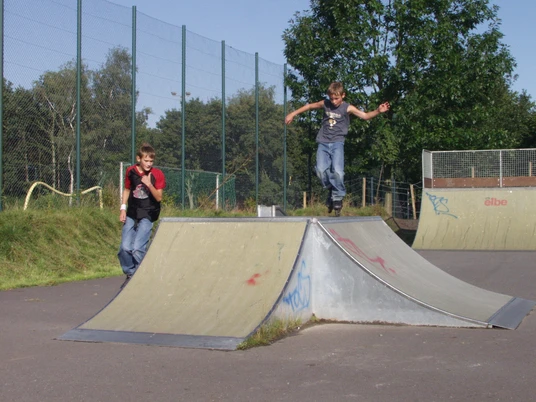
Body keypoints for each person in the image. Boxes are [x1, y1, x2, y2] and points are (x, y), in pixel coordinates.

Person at [285, 82, 390, 216]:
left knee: (338, 171)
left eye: (337, 98)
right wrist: (292, 114)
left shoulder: (348, 108)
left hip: (337, 143)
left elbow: (364, 116)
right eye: (332, 98)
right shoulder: (325, 103)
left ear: (343, 95)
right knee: (321, 170)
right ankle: (331, 189)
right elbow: (310, 106)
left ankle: (338, 196)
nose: (334, 101)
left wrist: (378, 111)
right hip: (323, 142)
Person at [118, 143, 166, 287]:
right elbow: (127, 190)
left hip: (149, 213)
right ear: (139, 159)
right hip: (132, 212)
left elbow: (159, 198)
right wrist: (122, 209)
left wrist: (148, 184)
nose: (149, 164)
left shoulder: (157, 174)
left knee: (138, 248)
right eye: (146, 160)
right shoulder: (131, 171)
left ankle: (145, 274)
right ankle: (130, 272)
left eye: (151, 161)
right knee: (125, 248)